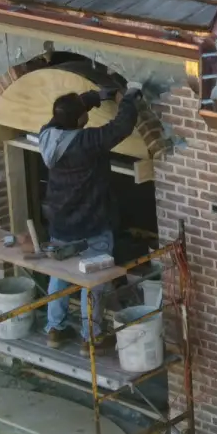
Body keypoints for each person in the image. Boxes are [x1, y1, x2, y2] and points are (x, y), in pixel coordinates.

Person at [38, 84, 141, 349]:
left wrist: (96, 97)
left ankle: (54, 329)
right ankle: (91, 339)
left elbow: (64, 115)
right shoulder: (86, 142)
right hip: (91, 226)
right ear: (80, 119)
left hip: (60, 225)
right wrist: (128, 98)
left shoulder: (47, 135)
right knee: (92, 282)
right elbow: (121, 127)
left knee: (60, 274)